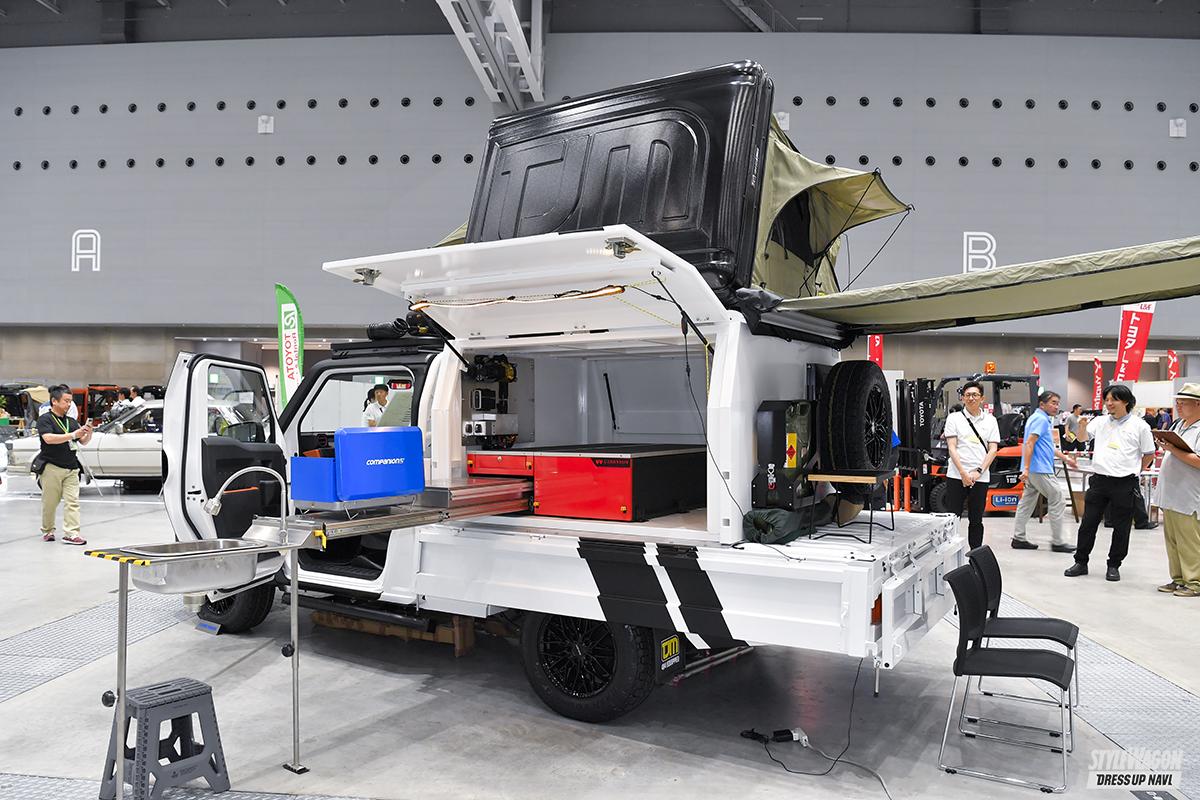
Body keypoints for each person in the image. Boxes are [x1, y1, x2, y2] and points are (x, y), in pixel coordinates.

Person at [1065, 384, 1156, 582]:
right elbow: (1082, 438)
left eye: (1114, 399)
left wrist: (1136, 470)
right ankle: (1081, 562)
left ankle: (1114, 565)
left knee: (1121, 527)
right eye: (1106, 400)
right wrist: (1082, 426)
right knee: (1088, 523)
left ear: (1126, 401)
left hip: (1125, 483)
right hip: (1099, 480)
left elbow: (1149, 454)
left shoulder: (1140, 426)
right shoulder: (1100, 421)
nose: (1109, 403)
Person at [1012, 390, 1078, 552]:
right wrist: (1026, 468)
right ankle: (1057, 542)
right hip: (1040, 469)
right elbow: (1029, 443)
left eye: (1057, 403)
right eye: (1053, 403)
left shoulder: (1038, 419)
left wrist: (1066, 458)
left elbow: (1047, 446)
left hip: (1035, 469)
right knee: (1058, 499)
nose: (1056, 406)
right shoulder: (1040, 420)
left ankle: (1018, 538)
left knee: (1027, 503)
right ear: (1042, 404)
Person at [943, 380, 1001, 549]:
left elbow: (993, 449)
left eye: (975, 395)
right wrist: (963, 473)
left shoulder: (990, 420)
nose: (971, 398)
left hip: (980, 477)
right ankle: (950, 553)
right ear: (962, 398)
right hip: (956, 476)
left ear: (982, 398)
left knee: (976, 519)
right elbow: (952, 447)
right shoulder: (954, 418)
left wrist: (978, 471)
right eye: (967, 395)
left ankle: (975, 555)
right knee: (952, 518)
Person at [1155, 383, 1200, 598]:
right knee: (1172, 541)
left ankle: (1194, 582)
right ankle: (1178, 578)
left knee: (1189, 542)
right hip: (1171, 494)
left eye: (1184, 403)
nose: (1178, 407)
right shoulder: (1179, 425)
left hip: (1188, 495)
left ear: (1198, 404)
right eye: (1178, 403)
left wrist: (1172, 449)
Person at [37, 385, 92, 545]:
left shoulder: (71, 421)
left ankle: (71, 533)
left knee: (73, 501)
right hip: (51, 467)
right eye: (66, 401)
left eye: (70, 401)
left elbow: (82, 442)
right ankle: (48, 530)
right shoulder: (45, 419)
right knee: (50, 502)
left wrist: (88, 432)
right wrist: (72, 435)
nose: (69, 404)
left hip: (71, 467)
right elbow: (48, 438)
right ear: (54, 401)